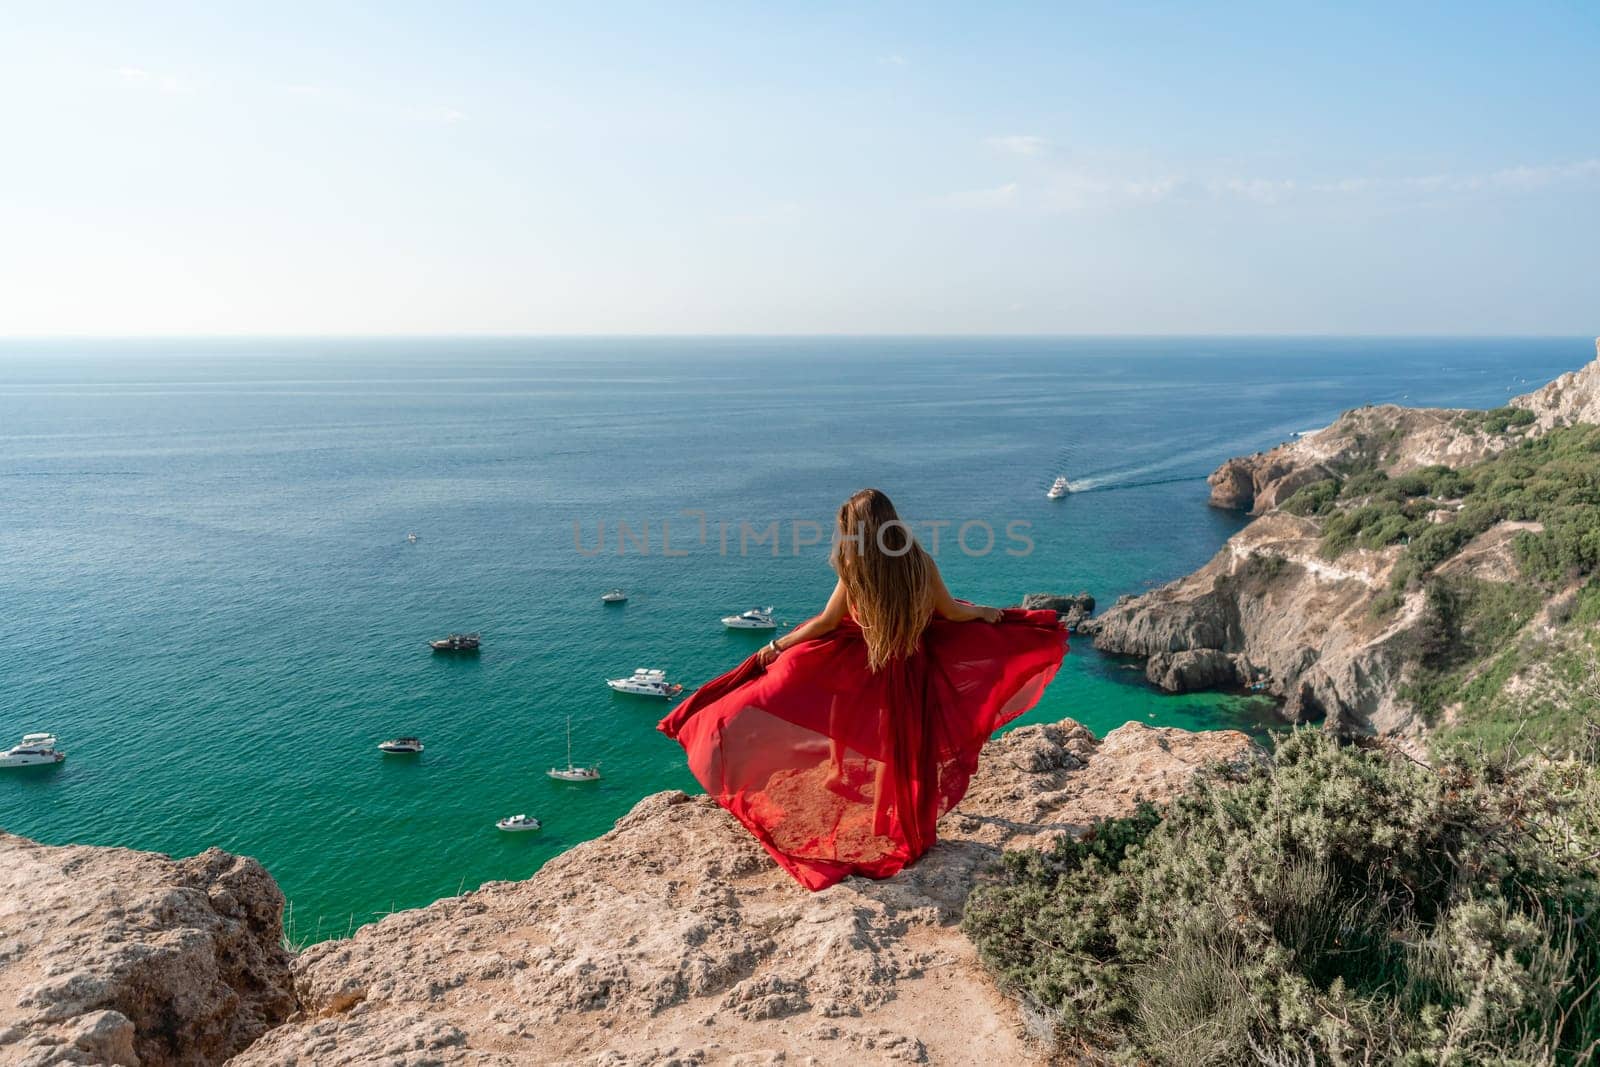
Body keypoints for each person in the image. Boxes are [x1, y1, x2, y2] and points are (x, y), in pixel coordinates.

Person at [659, 488, 1068, 891]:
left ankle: (841, 776)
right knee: (904, 747)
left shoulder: (856, 567)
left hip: (862, 666)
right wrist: (983, 613)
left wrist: (776, 646)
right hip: (910, 669)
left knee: (836, 718)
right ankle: (890, 820)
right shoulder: (918, 562)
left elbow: (825, 623)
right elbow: (951, 613)